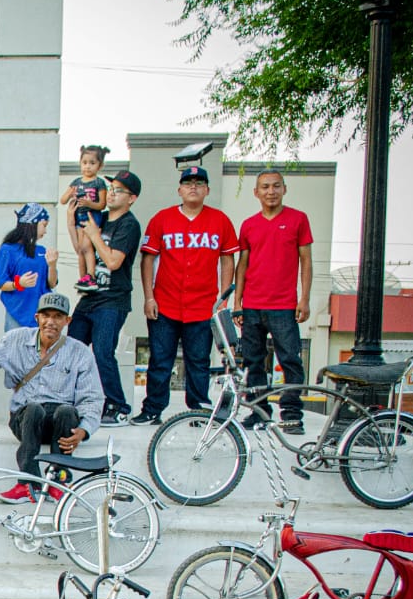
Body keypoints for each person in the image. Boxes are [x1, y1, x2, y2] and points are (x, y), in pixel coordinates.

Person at [0, 291, 104, 504]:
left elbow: (93, 398)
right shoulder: (15, 339)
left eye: (57, 317)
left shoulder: (80, 352)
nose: (51, 322)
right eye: (46, 315)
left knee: (67, 411)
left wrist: (84, 430)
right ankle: (27, 483)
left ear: (67, 321)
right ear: (37, 317)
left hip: (61, 424)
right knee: (33, 409)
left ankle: (58, 482)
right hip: (26, 419)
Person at [131, 165, 238, 426]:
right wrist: (148, 297)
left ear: (207, 190)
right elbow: (148, 259)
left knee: (199, 361)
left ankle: (199, 408)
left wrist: (223, 300)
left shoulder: (220, 220)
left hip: (202, 306)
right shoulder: (162, 219)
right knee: (160, 359)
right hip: (165, 303)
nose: (193, 187)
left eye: (199, 183)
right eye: (188, 182)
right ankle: (153, 409)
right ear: (179, 189)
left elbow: (227, 259)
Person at [233, 169, 314, 434]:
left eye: (276, 186)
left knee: (290, 359)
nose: (271, 191)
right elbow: (242, 265)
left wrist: (304, 299)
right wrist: (237, 303)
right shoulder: (248, 225)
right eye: (265, 187)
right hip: (253, 305)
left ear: (284, 189)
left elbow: (306, 261)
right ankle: (259, 412)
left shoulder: (298, 219)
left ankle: (291, 414)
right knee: (254, 362)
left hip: (284, 306)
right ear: (256, 192)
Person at [69, 169, 143, 426]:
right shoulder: (99, 217)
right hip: (89, 297)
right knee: (70, 347)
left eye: (119, 190)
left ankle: (118, 406)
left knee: (103, 352)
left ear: (131, 198)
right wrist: (72, 220)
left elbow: (112, 261)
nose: (111, 193)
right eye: (111, 188)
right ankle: (74, 401)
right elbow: (81, 249)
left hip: (113, 299)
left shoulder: (129, 224)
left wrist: (95, 235)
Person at [0, 203, 59, 330]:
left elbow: (52, 284)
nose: (45, 231)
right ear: (33, 223)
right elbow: (2, 284)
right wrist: (19, 283)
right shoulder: (7, 250)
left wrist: (52, 265)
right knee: (14, 347)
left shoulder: (41, 250)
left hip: (41, 312)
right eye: (44, 225)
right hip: (16, 312)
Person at [60, 145, 109, 292]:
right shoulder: (76, 182)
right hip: (77, 216)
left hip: (91, 216)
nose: (87, 166)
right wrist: (70, 195)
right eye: (85, 162)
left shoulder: (99, 183)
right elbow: (62, 200)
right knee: (81, 249)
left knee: (87, 247)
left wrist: (89, 203)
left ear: (100, 166)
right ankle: (83, 278)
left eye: (92, 163)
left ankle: (91, 275)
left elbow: (102, 204)